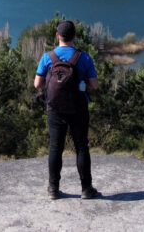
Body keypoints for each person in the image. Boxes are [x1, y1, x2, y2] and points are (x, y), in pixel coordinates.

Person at [34, 20, 100, 200]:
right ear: (75, 36)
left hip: (55, 109)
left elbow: (37, 84)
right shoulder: (84, 57)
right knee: (81, 147)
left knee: (56, 147)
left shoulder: (48, 57)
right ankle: (86, 189)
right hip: (78, 108)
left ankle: (53, 189)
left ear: (57, 36)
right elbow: (94, 85)